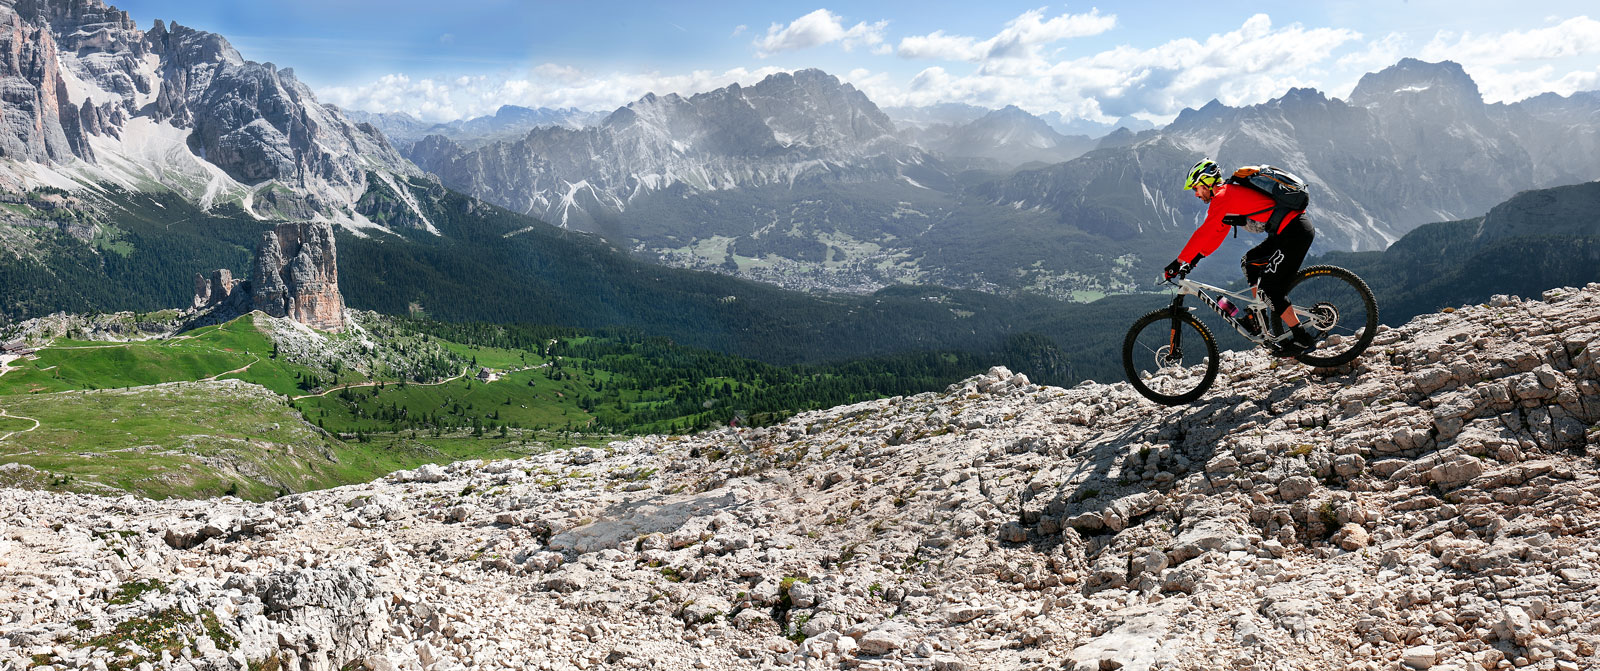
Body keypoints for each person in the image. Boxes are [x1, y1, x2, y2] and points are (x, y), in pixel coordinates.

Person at [1163, 158, 1317, 357]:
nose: (1196, 194)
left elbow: (1204, 232)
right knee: (1250, 263)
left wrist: (1178, 262)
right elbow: (1217, 233)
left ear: (1207, 182)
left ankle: (1302, 338)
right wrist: (1196, 259)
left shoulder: (1222, 196)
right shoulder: (1227, 195)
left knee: (1270, 290)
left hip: (1294, 233)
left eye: (1196, 188)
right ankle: (1259, 318)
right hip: (1284, 232)